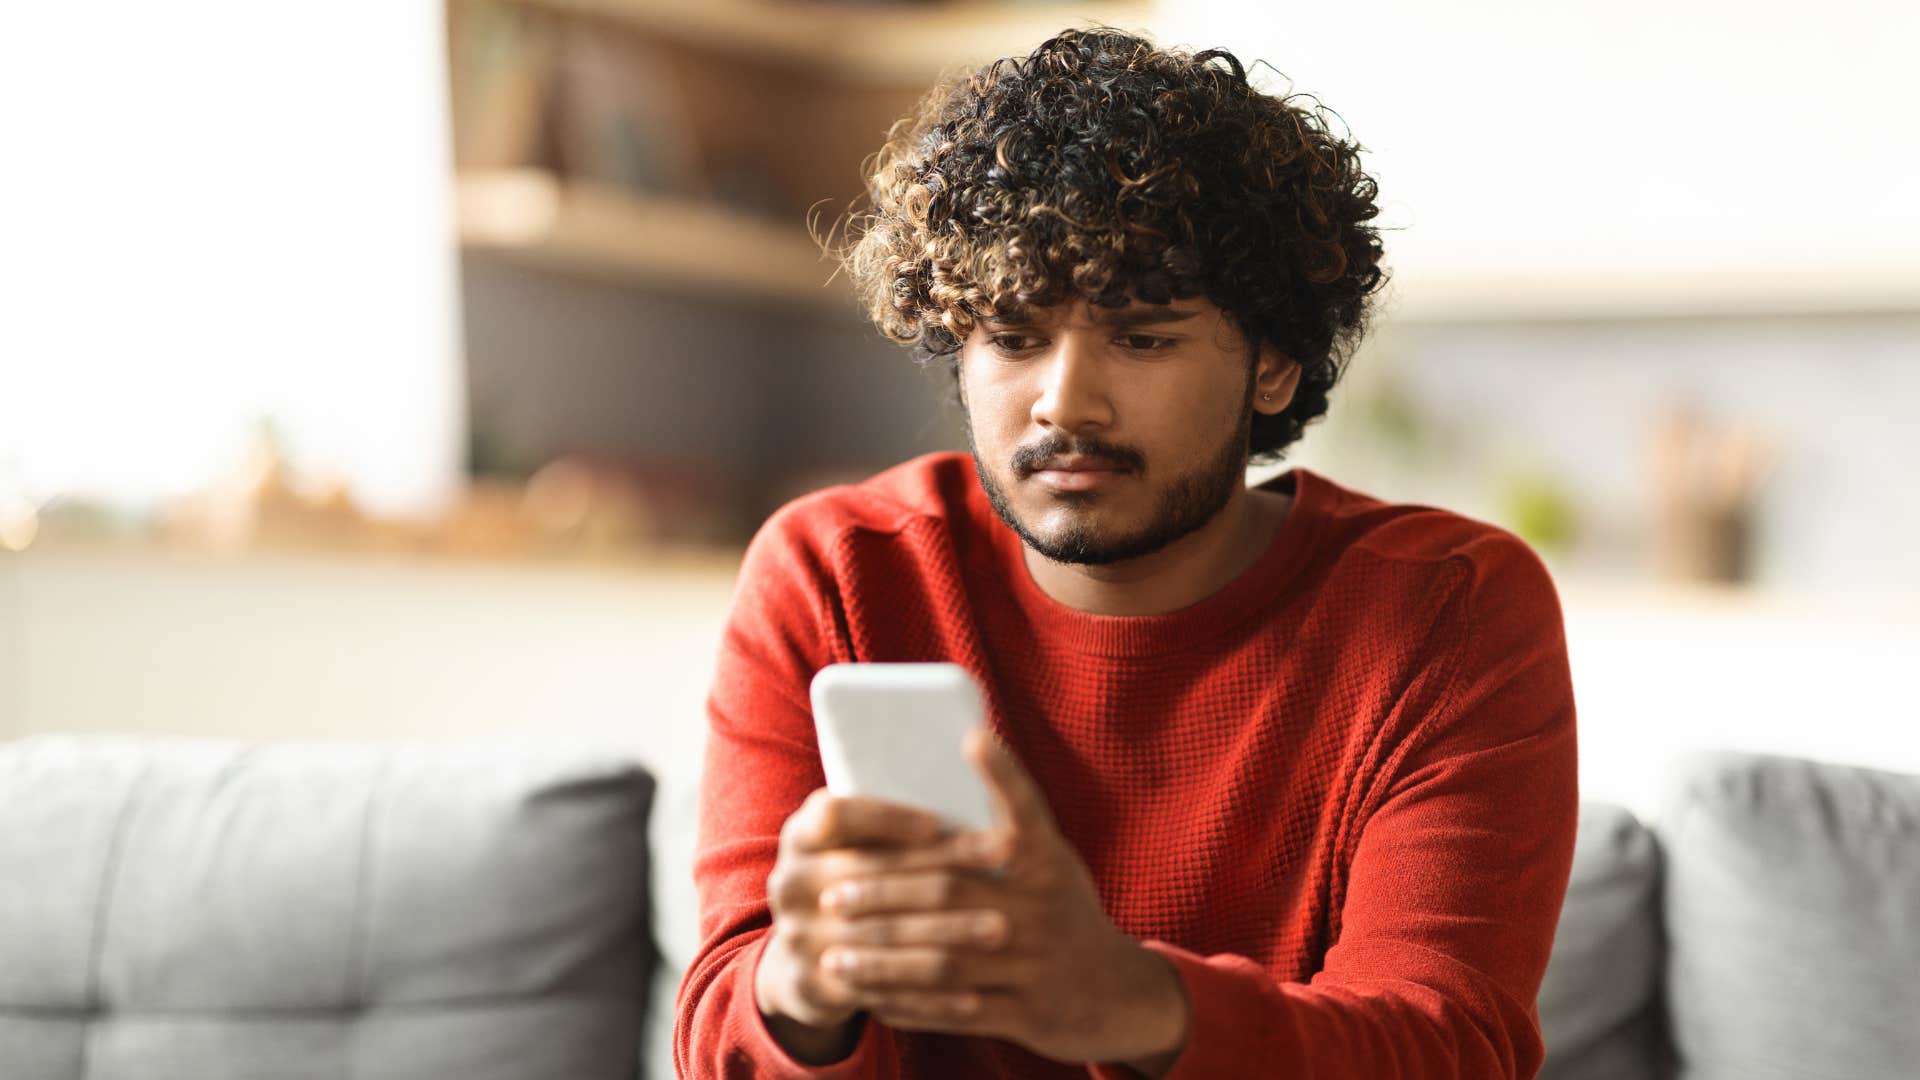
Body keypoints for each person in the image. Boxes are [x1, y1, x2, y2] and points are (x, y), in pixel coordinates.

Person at [674, 26, 1578, 1080]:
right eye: (1013, 337)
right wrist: (800, 989)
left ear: (1275, 363)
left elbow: (1444, 1047)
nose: (1064, 401)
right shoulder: (836, 573)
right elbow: (720, 1034)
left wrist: (1126, 1003)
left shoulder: (1446, 609)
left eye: (1143, 338)